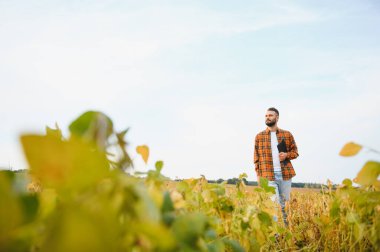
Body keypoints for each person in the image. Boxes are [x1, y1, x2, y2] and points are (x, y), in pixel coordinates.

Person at [254, 107, 299, 226]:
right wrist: (258, 176)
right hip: (268, 176)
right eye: (266, 116)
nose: (267, 117)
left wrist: (287, 155)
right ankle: (275, 235)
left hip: (285, 175)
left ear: (277, 117)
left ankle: (286, 231)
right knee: (273, 205)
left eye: (270, 115)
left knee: (284, 205)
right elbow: (256, 158)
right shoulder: (259, 136)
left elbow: (295, 153)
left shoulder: (287, 134)